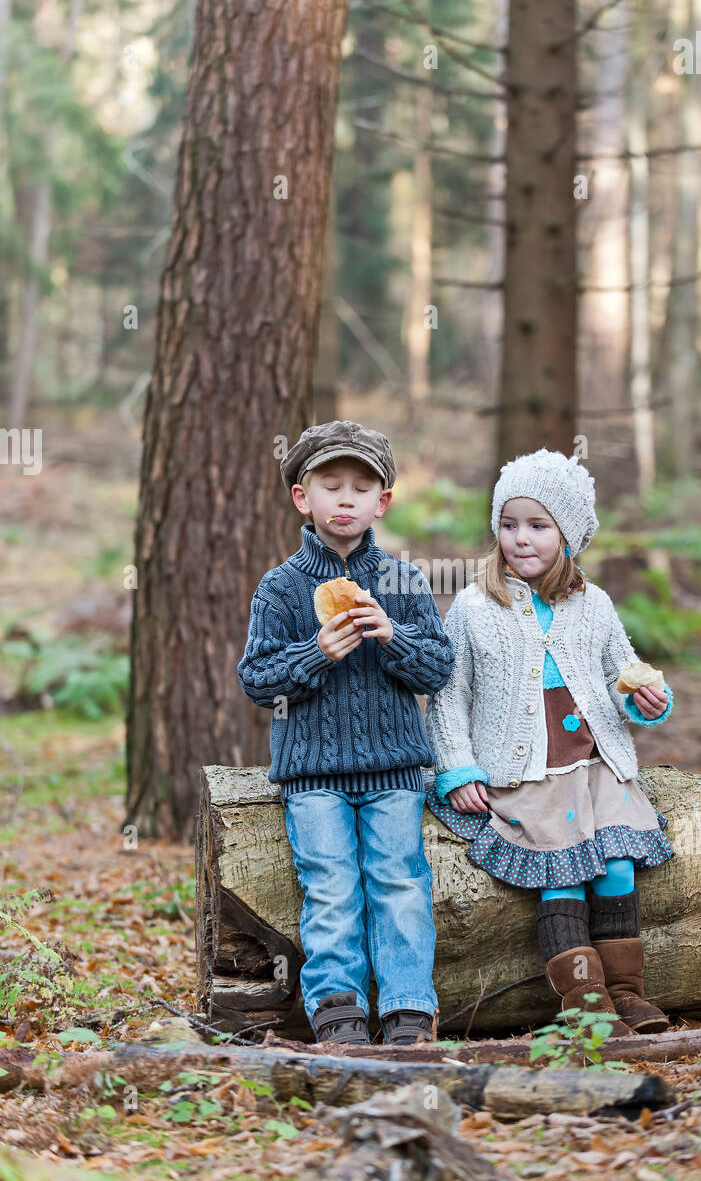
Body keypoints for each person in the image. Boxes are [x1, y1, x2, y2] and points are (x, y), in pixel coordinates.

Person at [423, 448, 676, 1037]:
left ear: (569, 534)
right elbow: (448, 696)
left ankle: (628, 995)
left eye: (538, 526)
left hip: (595, 766)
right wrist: (457, 770)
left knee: (615, 865)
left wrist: (645, 700)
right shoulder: (474, 606)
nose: (521, 538)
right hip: (526, 776)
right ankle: (585, 1005)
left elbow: (622, 675)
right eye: (509, 525)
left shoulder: (593, 605)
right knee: (560, 870)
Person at [237, 420, 455, 1046]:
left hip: (394, 774)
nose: (345, 498)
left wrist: (392, 635)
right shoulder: (280, 588)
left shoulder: (402, 582)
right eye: (330, 485)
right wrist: (315, 654)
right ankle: (338, 1011)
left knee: (399, 884)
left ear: (382, 502)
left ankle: (410, 1009)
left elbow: (437, 668)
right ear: (303, 497)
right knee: (330, 888)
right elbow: (258, 681)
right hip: (314, 778)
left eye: (361, 488)